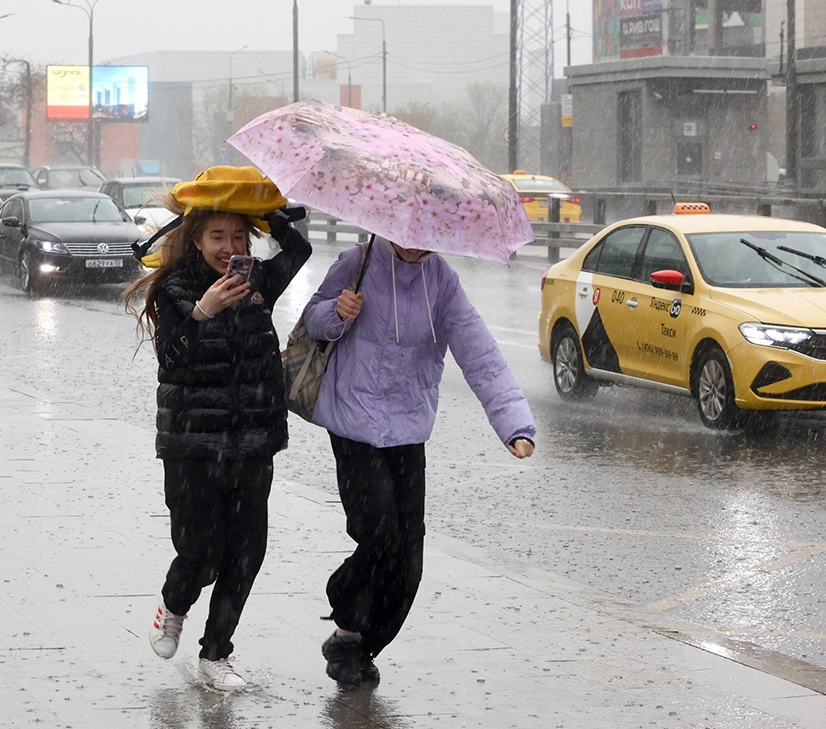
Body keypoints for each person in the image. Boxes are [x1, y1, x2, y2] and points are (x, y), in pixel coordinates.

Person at [302, 235, 536, 686]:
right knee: (379, 533)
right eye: (405, 236)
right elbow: (312, 319)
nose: (413, 245)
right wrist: (337, 313)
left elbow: (480, 354)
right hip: (354, 422)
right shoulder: (357, 261)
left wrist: (514, 422)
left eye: (424, 239)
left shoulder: (442, 282)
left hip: (408, 430)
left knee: (409, 561)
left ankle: (358, 645)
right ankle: (347, 612)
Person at [122, 168, 312, 691]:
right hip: (192, 444)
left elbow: (298, 252)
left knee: (247, 551)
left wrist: (269, 215)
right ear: (196, 240)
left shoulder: (257, 283)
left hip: (254, 440)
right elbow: (173, 363)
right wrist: (203, 312)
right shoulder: (177, 288)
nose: (228, 248)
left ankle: (216, 654)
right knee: (200, 551)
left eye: (236, 236)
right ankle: (174, 603)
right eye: (216, 237)